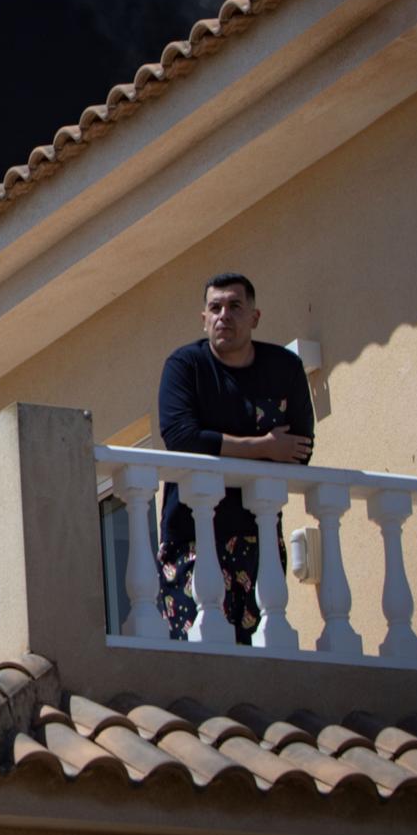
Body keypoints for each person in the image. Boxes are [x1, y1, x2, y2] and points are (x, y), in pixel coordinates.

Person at [156, 272, 313, 643]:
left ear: (254, 317)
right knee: (199, 652)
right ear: (204, 318)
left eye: (234, 306)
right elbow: (181, 438)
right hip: (191, 537)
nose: (223, 315)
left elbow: (300, 449)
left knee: (258, 650)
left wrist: (225, 444)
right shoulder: (185, 367)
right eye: (215, 307)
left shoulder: (284, 369)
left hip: (257, 534)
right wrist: (263, 447)